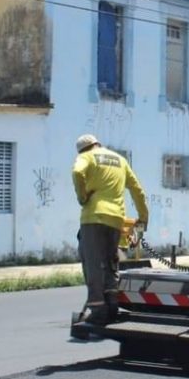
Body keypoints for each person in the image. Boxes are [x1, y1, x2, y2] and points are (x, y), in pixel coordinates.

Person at [72, 134, 149, 325]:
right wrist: (142, 218)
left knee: (93, 264)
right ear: (98, 143)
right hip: (116, 219)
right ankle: (112, 304)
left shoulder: (86, 156)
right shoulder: (120, 160)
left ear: (83, 149)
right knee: (110, 262)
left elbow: (77, 172)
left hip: (94, 217)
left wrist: (82, 197)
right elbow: (137, 190)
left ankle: (98, 309)